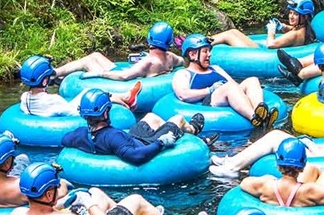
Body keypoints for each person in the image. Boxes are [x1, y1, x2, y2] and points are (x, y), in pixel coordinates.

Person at [9, 162, 208, 215]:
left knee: (96, 192)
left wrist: (62, 204)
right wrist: (89, 205)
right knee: (136, 200)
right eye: (56, 187)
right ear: (48, 193)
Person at [209, 83, 324, 179]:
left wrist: (310, 145)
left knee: (274, 137)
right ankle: (232, 161)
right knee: (276, 136)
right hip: (316, 153)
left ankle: (232, 167)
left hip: (315, 160)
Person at [61, 88, 203, 166]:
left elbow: (64, 140)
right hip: (146, 145)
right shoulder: (112, 136)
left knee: (150, 117)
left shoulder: (80, 134)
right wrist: (161, 142)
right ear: (105, 112)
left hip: (133, 138)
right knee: (178, 119)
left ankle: (174, 131)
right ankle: (193, 130)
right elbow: (137, 156)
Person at [173, 34, 278, 128]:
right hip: (209, 101)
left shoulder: (215, 68)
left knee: (252, 80)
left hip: (228, 94)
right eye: (205, 51)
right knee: (229, 87)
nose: (209, 54)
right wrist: (210, 90)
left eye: (209, 51)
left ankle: (261, 113)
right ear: (192, 55)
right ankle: (254, 118)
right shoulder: (184, 73)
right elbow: (183, 95)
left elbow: (235, 85)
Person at [239, 138, 324, 208]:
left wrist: (269, 178)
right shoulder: (311, 190)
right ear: (301, 167)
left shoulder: (265, 185)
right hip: (304, 197)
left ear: (278, 165)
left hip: (285, 193)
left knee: (312, 169)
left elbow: (244, 183)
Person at [0, 133, 70, 207]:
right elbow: (57, 195)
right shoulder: (21, 188)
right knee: (23, 158)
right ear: (7, 163)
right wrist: (62, 183)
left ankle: (4, 143)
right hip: (11, 190)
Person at [52, 21, 183, 81]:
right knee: (96, 55)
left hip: (114, 79)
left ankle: (55, 73)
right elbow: (182, 61)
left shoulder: (148, 62)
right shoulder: (171, 57)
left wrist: (100, 73)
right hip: (146, 67)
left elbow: (124, 76)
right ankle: (58, 74)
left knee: (88, 62)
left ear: (150, 38)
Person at [18, 55, 141, 117]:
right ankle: (125, 99)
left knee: (87, 91)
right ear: (45, 81)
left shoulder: (24, 98)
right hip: (71, 112)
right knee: (94, 94)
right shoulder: (54, 100)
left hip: (53, 109)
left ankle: (125, 98)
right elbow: (73, 112)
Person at [211, 0, 317, 49]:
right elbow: (292, 31)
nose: (291, 16)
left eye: (296, 14)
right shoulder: (303, 29)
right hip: (260, 51)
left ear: (305, 16)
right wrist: (282, 26)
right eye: (290, 13)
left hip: (256, 55)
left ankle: (205, 43)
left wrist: (271, 31)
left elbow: (270, 44)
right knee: (234, 31)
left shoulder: (295, 34)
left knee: (229, 35)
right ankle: (206, 40)